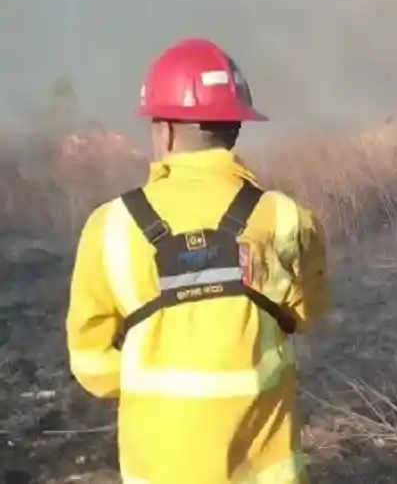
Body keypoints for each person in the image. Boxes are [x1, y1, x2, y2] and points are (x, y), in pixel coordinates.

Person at [65, 38, 330, 483]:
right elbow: (306, 313)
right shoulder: (286, 217)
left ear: (164, 131)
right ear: (237, 129)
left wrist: (154, 377)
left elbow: (90, 361)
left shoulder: (110, 226)